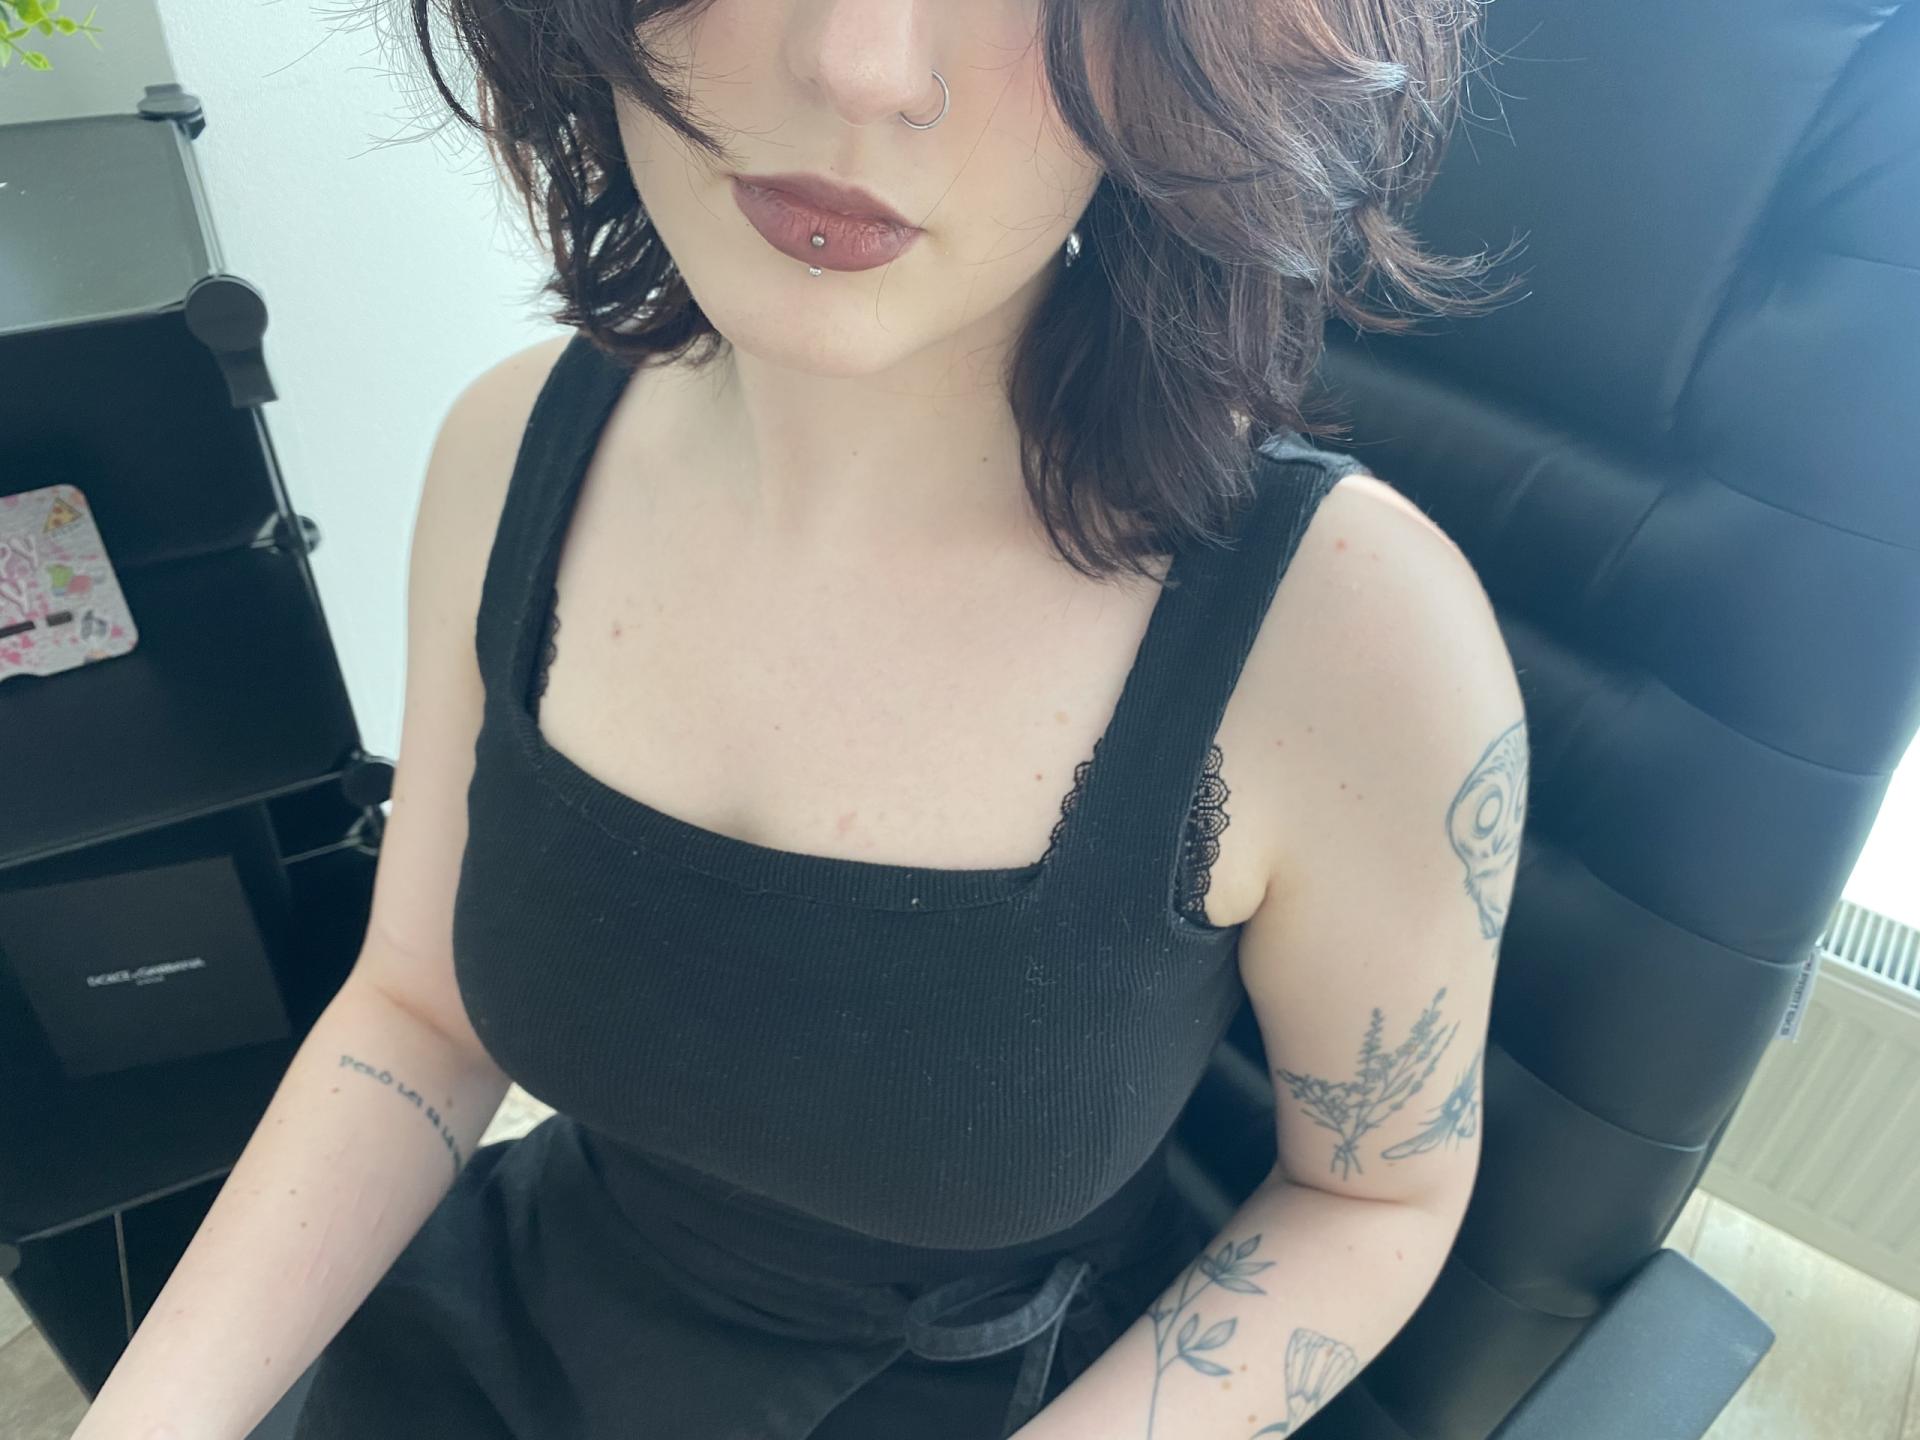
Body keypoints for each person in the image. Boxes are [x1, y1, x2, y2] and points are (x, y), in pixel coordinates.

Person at [72, 4, 1529, 1438]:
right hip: (497, 1337)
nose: (860, 64)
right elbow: (417, 1013)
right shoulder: (511, 449)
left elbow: (1373, 1198)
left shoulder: (1347, 637)